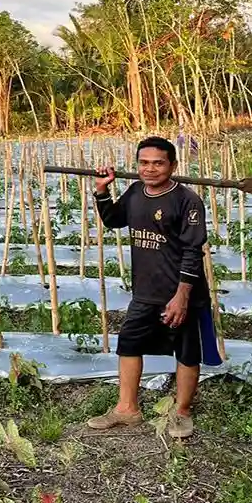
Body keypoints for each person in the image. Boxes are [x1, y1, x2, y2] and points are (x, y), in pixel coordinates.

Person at [84, 135, 219, 439]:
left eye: (158, 163)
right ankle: (126, 409)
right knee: (129, 344)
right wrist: (102, 190)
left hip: (182, 293)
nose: (150, 169)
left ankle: (182, 412)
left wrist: (182, 296)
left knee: (186, 352)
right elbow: (114, 220)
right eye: (144, 163)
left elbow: (192, 250)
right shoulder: (134, 192)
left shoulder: (187, 201)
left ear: (172, 165)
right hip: (145, 291)